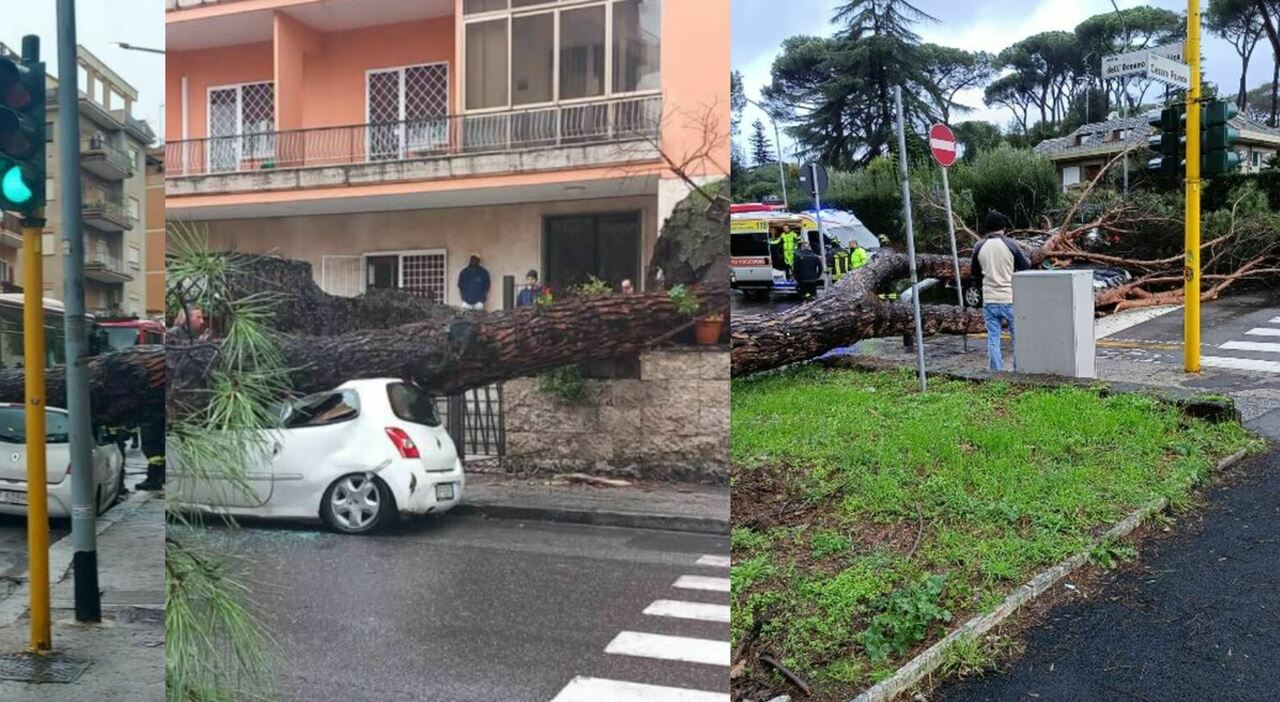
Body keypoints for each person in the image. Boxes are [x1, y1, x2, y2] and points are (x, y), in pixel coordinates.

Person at [971, 210, 1030, 371]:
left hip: (990, 299)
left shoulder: (979, 246)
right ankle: (1019, 370)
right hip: (1009, 298)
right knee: (1017, 339)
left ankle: (996, 373)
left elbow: (975, 272)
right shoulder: (1011, 244)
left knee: (993, 338)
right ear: (1003, 227)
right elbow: (1026, 265)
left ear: (987, 228)